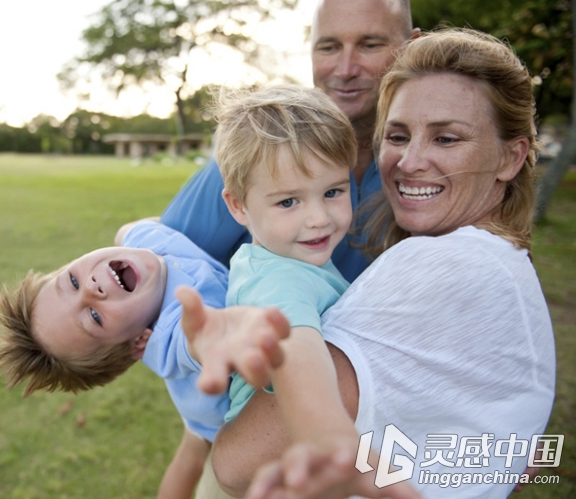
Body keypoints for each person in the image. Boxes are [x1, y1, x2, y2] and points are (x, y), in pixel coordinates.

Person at [178, 28, 556, 498]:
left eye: (446, 138)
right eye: (397, 135)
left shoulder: (443, 264)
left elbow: (236, 464)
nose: (409, 161)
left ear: (510, 156)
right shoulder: (505, 266)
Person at [0, 219, 269, 499]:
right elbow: (198, 341)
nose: (90, 287)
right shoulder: (176, 330)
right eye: (94, 317)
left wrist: (129, 230)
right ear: (139, 342)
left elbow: (126, 230)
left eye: (73, 281)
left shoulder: (143, 244)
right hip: (211, 410)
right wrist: (215, 340)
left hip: (188, 395)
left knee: (190, 452)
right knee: (194, 455)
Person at [159, 0, 419, 282]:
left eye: (369, 45)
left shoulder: (430, 158)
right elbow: (162, 259)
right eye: (328, 47)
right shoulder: (261, 147)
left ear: (411, 47)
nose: (345, 70)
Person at [211, 84, 354, 426]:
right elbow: (298, 354)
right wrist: (333, 434)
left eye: (333, 191)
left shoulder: (286, 258)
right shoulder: (276, 280)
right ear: (238, 206)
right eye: (288, 202)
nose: (320, 219)